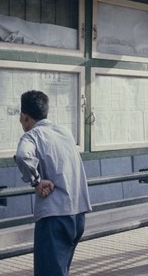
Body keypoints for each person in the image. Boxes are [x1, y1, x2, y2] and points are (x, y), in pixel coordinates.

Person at [14, 90, 92, 276]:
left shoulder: (32, 136)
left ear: (24, 116)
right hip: (77, 213)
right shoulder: (64, 132)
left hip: (54, 216)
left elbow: (22, 155)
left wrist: (37, 181)